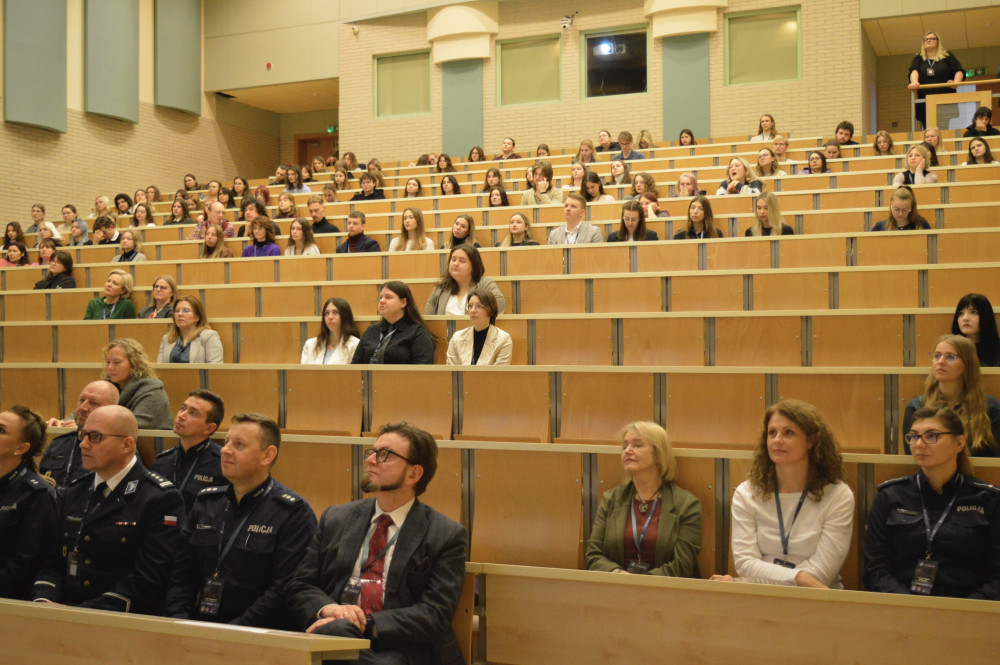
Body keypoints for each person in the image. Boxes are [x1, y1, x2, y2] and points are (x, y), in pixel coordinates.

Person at [287, 422, 467, 664]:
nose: (371, 460)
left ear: (414, 474)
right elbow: (301, 585)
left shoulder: (445, 534)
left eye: (385, 455)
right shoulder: (336, 518)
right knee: (335, 634)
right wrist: (332, 610)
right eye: (372, 452)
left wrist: (365, 624)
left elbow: (434, 614)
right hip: (336, 634)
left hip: (402, 646)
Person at [30, 405, 185, 613]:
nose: (83, 444)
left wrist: (81, 613)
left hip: (119, 619)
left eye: (96, 437)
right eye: (83, 435)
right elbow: (52, 562)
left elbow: (149, 580)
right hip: (62, 612)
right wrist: (44, 599)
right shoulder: (75, 491)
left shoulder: (159, 497)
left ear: (126, 444)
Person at [166, 412, 316, 627]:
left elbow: (283, 590)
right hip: (200, 628)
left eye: (239, 444)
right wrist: (180, 621)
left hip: (260, 633)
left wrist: (232, 633)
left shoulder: (292, 512)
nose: (225, 450)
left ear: (267, 455)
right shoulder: (207, 502)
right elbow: (181, 575)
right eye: (226, 442)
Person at [712, 400, 854, 588]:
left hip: (815, 598)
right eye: (772, 433)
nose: (777, 440)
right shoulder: (746, 493)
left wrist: (750, 581)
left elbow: (821, 575)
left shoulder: (838, 495)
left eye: (788, 433)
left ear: (811, 441)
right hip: (761, 595)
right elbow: (745, 563)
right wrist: (799, 578)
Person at [865, 405, 1000, 599]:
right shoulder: (890, 496)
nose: (919, 444)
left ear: (959, 443)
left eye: (931, 436)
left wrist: (964, 609)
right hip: (903, 606)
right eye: (913, 437)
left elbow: (997, 577)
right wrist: (912, 607)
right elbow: (875, 571)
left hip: (969, 608)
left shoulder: (988, 499)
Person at [586, 421, 702, 577]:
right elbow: (593, 555)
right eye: (625, 446)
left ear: (659, 455)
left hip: (666, 589)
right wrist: (618, 574)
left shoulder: (686, 504)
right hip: (617, 586)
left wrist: (642, 583)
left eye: (637, 445)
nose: (627, 450)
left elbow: (683, 565)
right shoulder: (611, 499)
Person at [902, 334, 1000, 457]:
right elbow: (913, 456)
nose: (940, 362)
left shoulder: (990, 407)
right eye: (937, 356)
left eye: (950, 357)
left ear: (967, 365)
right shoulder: (916, 407)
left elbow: (995, 459)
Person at [0, 405, 59, 600]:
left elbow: (24, 565)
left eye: (1, 430)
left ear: (21, 448)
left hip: (11, 601)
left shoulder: (37, 495)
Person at [151, 390, 226, 512]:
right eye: (182, 408)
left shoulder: (223, 463)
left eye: (192, 413)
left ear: (209, 428)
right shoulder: (162, 460)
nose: (181, 416)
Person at [39, 382, 120, 491]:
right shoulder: (58, 444)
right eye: (82, 400)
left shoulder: (117, 450)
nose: (83, 408)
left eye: (94, 403)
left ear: (113, 410)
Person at [351, 281, 435, 365]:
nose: (381, 301)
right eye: (380, 297)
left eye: (388, 297)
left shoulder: (417, 332)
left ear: (403, 303)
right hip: (369, 374)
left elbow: (422, 368)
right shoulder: (371, 331)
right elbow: (355, 366)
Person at [103, 338, 174, 429]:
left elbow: (136, 425)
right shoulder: (107, 387)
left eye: (116, 362)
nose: (110, 367)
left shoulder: (152, 391)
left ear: (134, 363)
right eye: (108, 362)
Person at [424, 245, 506, 316]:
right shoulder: (441, 287)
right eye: (453, 259)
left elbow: (498, 307)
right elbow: (429, 316)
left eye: (462, 261)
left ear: (473, 266)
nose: (455, 264)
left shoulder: (486, 284)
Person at [908, 31, 963, 129]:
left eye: (932, 38)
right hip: (925, 100)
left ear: (938, 41)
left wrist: (956, 82)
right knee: (928, 129)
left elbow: (959, 70)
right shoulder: (918, 58)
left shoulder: (947, 56)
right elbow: (914, 71)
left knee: (943, 128)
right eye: (926, 39)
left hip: (944, 99)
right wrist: (914, 82)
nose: (928, 40)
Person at [446, 288, 512, 366]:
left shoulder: (503, 340)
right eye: (470, 306)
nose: (473, 310)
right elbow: (451, 371)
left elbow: (499, 372)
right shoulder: (457, 337)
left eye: (479, 306)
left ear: (491, 309)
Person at [157, 295, 224, 364]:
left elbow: (215, 367)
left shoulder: (209, 336)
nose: (180, 314)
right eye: (177, 311)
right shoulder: (167, 338)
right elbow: (160, 367)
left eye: (186, 311)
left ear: (197, 317)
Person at [301, 297, 361, 365]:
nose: (330, 317)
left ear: (345, 316)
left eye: (335, 312)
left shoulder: (354, 344)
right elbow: (303, 371)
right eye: (327, 313)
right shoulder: (310, 344)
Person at [952, 293, 1000, 368]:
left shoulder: (997, 350)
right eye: (961, 313)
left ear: (986, 316)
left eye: (973, 312)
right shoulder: (950, 348)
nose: (965, 318)